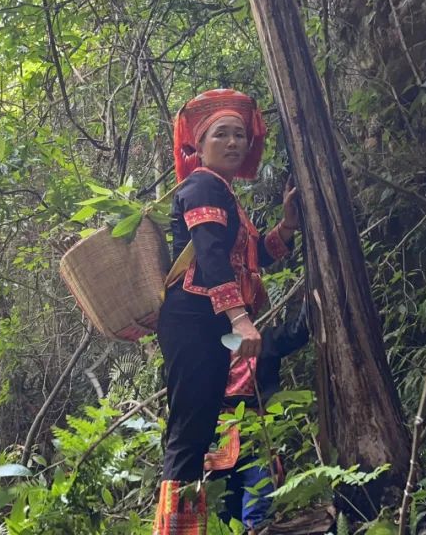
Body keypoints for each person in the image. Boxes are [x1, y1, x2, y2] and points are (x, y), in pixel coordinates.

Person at [153, 89, 299, 534]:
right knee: (189, 435)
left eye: (240, 134)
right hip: (193, 323)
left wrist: (289, 224)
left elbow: (255, 259)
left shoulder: (225, 194)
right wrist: (239, 318)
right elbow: (213, 257)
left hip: (208, 326)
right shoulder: (200, 186)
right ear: (199, 144)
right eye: (222, 134)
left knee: (196, 435)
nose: (234, 142)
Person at [206, 307, 310, 532]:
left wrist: (311, 293)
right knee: (222, 505)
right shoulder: (208, 350)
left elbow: (296, 332)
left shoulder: (265, 342)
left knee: (260, 497)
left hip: (256, 432)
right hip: (218, 437)